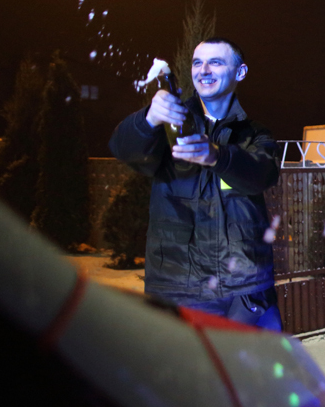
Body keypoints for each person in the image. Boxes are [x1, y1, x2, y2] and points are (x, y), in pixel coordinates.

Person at [110, 38, 281, 330]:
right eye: (197, 63)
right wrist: (148, 119)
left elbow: (262, 175)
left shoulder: (254, 134)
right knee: (188, 363)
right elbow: (123, 149)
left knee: (258, 361)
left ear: (240, 72)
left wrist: (217, 156)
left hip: (246, 289)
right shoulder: (170, 123)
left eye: (215, 62)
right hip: (179, 290)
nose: (204, 70)